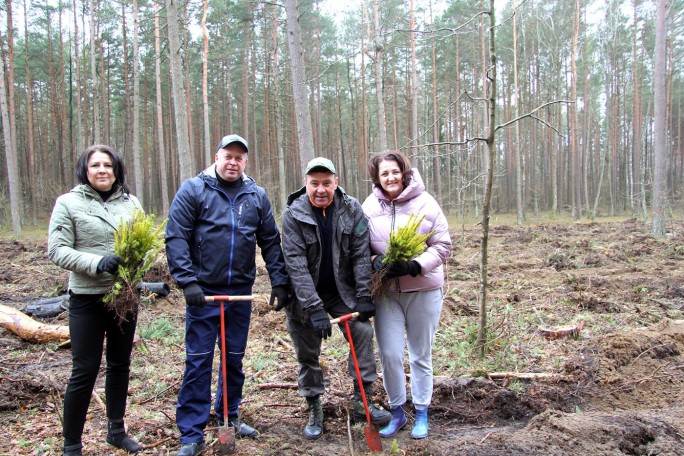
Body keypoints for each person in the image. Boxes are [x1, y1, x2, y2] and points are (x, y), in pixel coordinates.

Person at [165, 134, 290, 456]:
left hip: (240, 292)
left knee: (233, 359)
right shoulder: (194, 190)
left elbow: (270, 242)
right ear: (216, 157)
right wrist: (187, 281)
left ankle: (229, 416)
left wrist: (279, 281)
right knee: (199, 361)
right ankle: (191, 432)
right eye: (228, 156)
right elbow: (176, 236)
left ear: (245, 162)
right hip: (203, 292)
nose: (233, 162)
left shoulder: (256, 195)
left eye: (239, 157)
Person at [281, 157, 391, 440]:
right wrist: (314, 307)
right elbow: (295, 265)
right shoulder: (293, 214)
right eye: (314, 183)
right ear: (306, 183)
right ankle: (314, 405)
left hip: (343, 291)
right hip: (305, 296)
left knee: (362, 333)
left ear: (336, 183)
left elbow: (359, 255)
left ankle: (361, 402)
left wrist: (364, 295)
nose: (321, 189)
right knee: (307, 354)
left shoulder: (352, 209)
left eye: (326, 183)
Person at [48, 145, 144, 456]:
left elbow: (143, 244)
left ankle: (116, 431)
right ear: (85, 170)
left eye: (108, 165)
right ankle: (71, 445)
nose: (102, 170)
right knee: (85, 369)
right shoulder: (68, 203)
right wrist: (96, 262)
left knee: (120, 365)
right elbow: (57, 250)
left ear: (117, 171)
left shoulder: (131, 204)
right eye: (95, 165)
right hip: (87, 298)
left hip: (124, 299)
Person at [362, 150, 452, 439]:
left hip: (423, 290)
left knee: (420, 354)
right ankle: (398, 412)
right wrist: (376, 263)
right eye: (384, 173)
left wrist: (415, 265)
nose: (390, 177)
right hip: (386, 292)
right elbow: (359, 248)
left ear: (404, 172)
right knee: (389, 354)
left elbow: (442, 246)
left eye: (394, 171)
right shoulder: (368, 207)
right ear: (377, 177)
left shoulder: (426, 203)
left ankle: (422, 413)